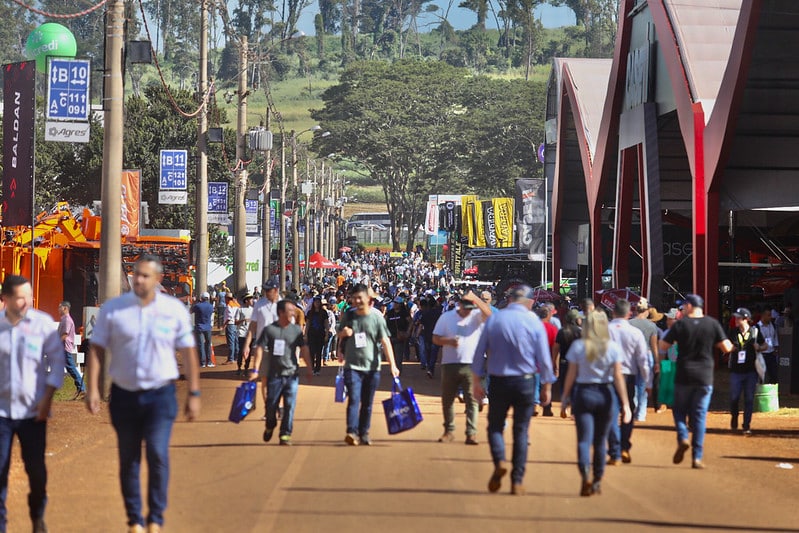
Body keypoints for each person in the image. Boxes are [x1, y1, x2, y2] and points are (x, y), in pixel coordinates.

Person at [86, 255, 200, 533]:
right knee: (129, 458)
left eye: (145, 275)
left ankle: (155, 519)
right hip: (124, 396)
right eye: (136, 274)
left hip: (160, 396)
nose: (138, 279)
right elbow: (96, 350)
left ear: (158, 279)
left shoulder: (174, 310)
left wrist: (194, 392)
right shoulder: (114, 309)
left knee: (158, 454)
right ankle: (135, 519)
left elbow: (188, 352)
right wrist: (92, 389)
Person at [472, 285, 555, 496]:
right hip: (526, 383)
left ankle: (500, 460)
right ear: (529, 302)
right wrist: (546, 386)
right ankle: (517, 480)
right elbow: (544, 360)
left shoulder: (494, 320)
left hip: (499, 382)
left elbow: (479, 352)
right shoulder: (534, 322)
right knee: (521, 431)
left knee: (495, 427)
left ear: (509, 300)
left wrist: (475, 382)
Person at [0, 275, 63, 533]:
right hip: (1, 413)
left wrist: (47, 398)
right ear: (5, 299)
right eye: (20, 297)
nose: (26, 301)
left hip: (34, 411)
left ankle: (37, 514)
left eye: (29, 295)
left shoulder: (43, 324)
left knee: (36, 471)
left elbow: (57, 362)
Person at [560, 311, 632, 497]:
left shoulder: (578, 346)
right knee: (600, 442)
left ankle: (585, 476)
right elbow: (618, 377)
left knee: (584, 440)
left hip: (583, 394)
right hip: (606, 394)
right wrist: (625, 404)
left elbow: (571, 375)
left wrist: (565, 399)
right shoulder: (613, 348)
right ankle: (597, 480)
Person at [659, 294, 733, 469]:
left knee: (679, 411)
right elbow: (727, 348)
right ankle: (697, 456)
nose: (683, 309)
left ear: (690, 306)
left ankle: (683, 436)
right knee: (699, 415)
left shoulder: (681, 325)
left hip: (684, 374)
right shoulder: (712, 324)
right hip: (705, 375)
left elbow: (663, 346)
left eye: (684, 306)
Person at [336, 284, 400, 446]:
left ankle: (364, 432)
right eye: (354, 298)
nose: (357, 301)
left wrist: (393, 365)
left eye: (360, 297)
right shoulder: (349, 316)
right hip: (352, 366)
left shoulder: (377, 318)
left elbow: (385, 341)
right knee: (354, 399)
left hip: (372, 368)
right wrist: (344, 335)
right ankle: (351, 431)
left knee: (367, 403)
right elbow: (339, 332)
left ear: (368, 299)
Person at [249, 300, 313, 445]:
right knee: (271, 404)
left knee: (290, 405)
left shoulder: (296, 330)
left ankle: (285, 434)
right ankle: (270, 425)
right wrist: (255, 369)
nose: (293, 313)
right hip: (274, 375)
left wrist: (309, 367)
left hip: (291, 374)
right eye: (290, 310)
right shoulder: (270, 330)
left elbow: (303, 349)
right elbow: (259, 348)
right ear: (281, 313)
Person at [432, 291, 492, 445]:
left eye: (470, 308)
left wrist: (475, 299)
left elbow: (490, 315)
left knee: (472, 400)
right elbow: (435, 338)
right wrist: (449, 341)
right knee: (448, 399)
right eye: (465, 308)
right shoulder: (447, 317)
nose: (467, 311)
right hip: (450, 364)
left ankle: (471, 433)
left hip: (472, 364)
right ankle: (449, 431)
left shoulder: (477, 316)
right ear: (459, 305)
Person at [606, 299, 649, 465]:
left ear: (613, 313)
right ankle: (624, 446)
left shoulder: (605, 331)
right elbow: (643, 360)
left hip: (608, 378)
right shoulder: (635, 333)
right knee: (628, 412)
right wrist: (648, 381)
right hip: (628, 378)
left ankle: (615, 451)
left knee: (611, 413)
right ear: (629, 313)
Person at [728, 308, 764, 436]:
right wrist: (729, 347)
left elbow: (765, 345)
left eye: (738, 318)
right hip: (735, 370)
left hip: (751, 371)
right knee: (734, 397)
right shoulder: (733, 332)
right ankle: (734, 416)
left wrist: (759, 347)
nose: (736, 320)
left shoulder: (755, 332)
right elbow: (727, 344)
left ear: (745, 319)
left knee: (749, 399)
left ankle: (746, 425)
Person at [629, 298, 659, 421]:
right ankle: (641, 414)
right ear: (646, 310)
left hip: (633, 356)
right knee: (644, 384)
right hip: (647, 355)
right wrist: (657, 361)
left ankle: (635, 407)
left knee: (633, 384)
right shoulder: (652, 326)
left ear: (636, 310)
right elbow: (654, 346)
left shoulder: (629, 323)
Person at [58, 301, 85, 400]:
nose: (58, 309)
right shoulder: (64, 319)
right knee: (70, 367)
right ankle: (80, 388)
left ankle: (82, 388)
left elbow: (64, 335)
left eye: (60, 307)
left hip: (65, 347)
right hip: (64, 347)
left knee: (71, 367)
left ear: (65, 308)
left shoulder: (67, 320)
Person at [553, 309, 582, 400]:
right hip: (577, 363)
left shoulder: (561, 331)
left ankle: (564, 402)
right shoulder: (581, 332)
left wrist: (554, 362)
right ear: (576, 319)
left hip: (564, 362)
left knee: (563, 383)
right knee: (576, 384)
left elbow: (556, 348)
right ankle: (574, 407)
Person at [536, 305, 559, 417]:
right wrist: (555, 363)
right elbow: (555, 347)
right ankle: (546, 407)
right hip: (547, 360)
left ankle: (533, 405)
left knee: (535, 385)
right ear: (548, 315)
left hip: (533, 362)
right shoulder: (553, 329)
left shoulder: (533, 327)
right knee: (546, 385)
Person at [385, 297, 413, 374]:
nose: (394, 304)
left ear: (400, 304)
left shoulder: (404, 313)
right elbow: (384, 321)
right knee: (391, 354)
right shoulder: (390, 313)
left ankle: (398, 369)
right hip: (390, 336)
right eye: (394, 303)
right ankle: (393, 368)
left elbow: (411, 322)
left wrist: (408, 332)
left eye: (396, 303)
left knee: (398, 354)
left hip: (400, 337)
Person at [305, 297, 329, 376]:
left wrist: (327, 334)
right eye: (315, 302)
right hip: (311, 334)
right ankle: (312, 368)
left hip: (320, 334)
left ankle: (317, 369)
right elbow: (307, 324)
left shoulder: (324, 312)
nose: (317, 303)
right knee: (311, 352)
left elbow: (326, 323)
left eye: (318, 302)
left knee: (319, 352)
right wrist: (305, 334)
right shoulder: (310, 313)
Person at [191, 292, 214, 368]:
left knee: (201, 345)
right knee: (208, 344)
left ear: (201, 298)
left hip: (199, 327)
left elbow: (190, 311)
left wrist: (194, 302)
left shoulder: (197, 306)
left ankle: (202, 363)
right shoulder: (211, 306)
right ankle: (209, 362)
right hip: (208, 327)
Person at [757, 306, 779, 384]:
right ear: (763, 315)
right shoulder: (757, 327)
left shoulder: (772, 325)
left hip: (771, 353)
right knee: (762, 375)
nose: (770, 317)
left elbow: (775, 336)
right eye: (768, 315)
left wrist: (776, 349)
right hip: (762, 354)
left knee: (774, 374)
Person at [236, 295, 254, 375]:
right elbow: (235, 322)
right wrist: (243, 320)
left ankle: (246, 368)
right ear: (246, 300)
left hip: (251, 334)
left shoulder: (253, 310)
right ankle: (239, 367)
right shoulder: (240, 309)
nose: (252, 300)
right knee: (241, 351)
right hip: (242, 333)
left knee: (249, 352)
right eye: (250, 299)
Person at [223, 291, 240, 364]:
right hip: (236, 324)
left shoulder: (229, 306)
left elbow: (229, 317)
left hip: (230, 325)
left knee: (231, 342)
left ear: (227, 298)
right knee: (236, 341)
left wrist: (224, 325)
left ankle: (230, 359)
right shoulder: (237, 305)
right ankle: (236, 357)